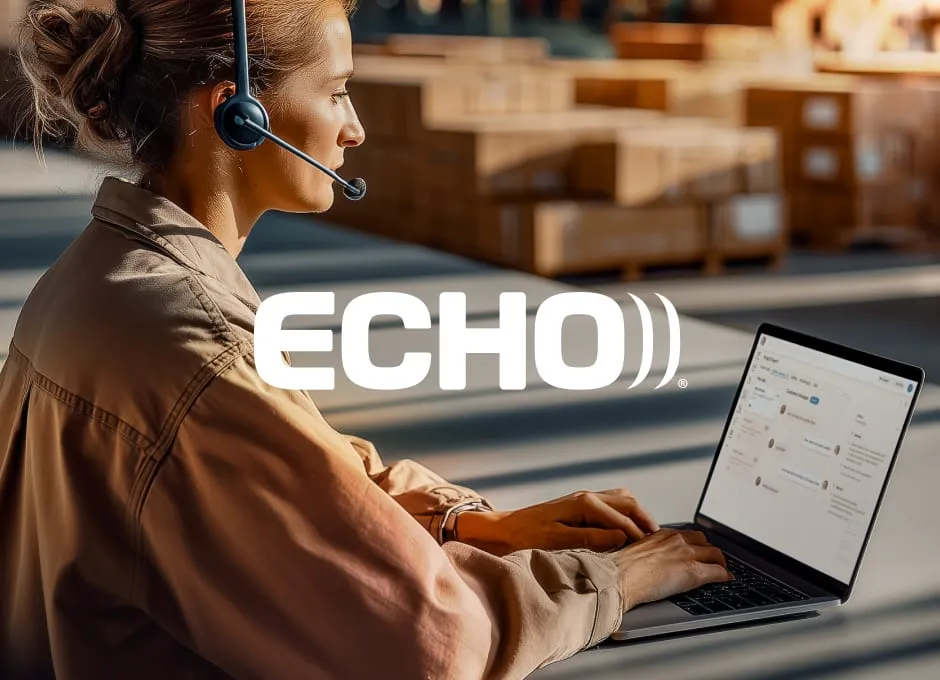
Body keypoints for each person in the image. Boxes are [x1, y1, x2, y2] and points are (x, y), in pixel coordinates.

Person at [0, 1, 732, 679]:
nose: (355, 129)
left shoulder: (98, 279)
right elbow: (429, 641)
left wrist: (473, 525)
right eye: (337, 92)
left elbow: (286, 478)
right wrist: (616, 580)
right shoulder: (193, 347)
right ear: (239, 116)